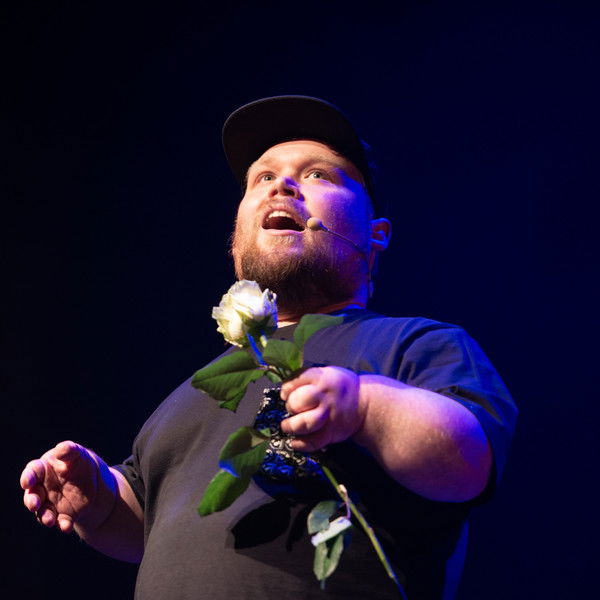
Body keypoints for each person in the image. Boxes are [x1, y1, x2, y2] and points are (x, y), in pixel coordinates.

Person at [20, 96, 517, 599]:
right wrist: (101, 501)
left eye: (318, 174)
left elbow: (469, 462)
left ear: (377, 235)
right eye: (262, 177)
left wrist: (365, 406)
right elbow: (148, 525)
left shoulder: (412, 344)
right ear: (235, 237)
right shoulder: (193, 392)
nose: (282, 185)